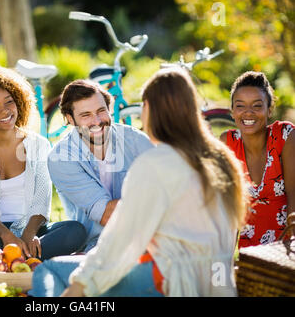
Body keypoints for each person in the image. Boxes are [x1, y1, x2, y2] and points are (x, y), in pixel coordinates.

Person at [30, 68, 249, 297]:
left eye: (143, 106)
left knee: (49, 270)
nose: (96, 121)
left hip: (170, 281)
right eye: (86, 115)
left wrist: (80, 287)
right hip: (217, 283)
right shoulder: (222, 159)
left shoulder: (152, 161)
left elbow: (121, 237)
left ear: (151, 111)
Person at [0, 66, 86, 260]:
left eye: (9, 102)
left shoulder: (38, 145)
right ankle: (27, 259)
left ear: (19, 101)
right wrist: (7, 236)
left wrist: (28, 235)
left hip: (31, 228)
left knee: (76, 230)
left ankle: (4, 260)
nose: (5, 111)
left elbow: (43, 198)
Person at [47, 79, 154, 251]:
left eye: (101, 111)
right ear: (70, 119)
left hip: (149, 236)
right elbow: (107, 215)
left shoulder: (134, 140)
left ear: (109, 109)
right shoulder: (61, 159)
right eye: (86, 115)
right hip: (98, 246)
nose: (97, 121)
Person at [220, 71, 295, 247]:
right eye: (240, 106)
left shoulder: (285, 136)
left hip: (284, 249)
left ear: (269, 110)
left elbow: (294, 197)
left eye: (257, 106)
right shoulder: (228, 143)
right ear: (232, 111)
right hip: (249, 255)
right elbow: (227, 210)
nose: (248, 113)